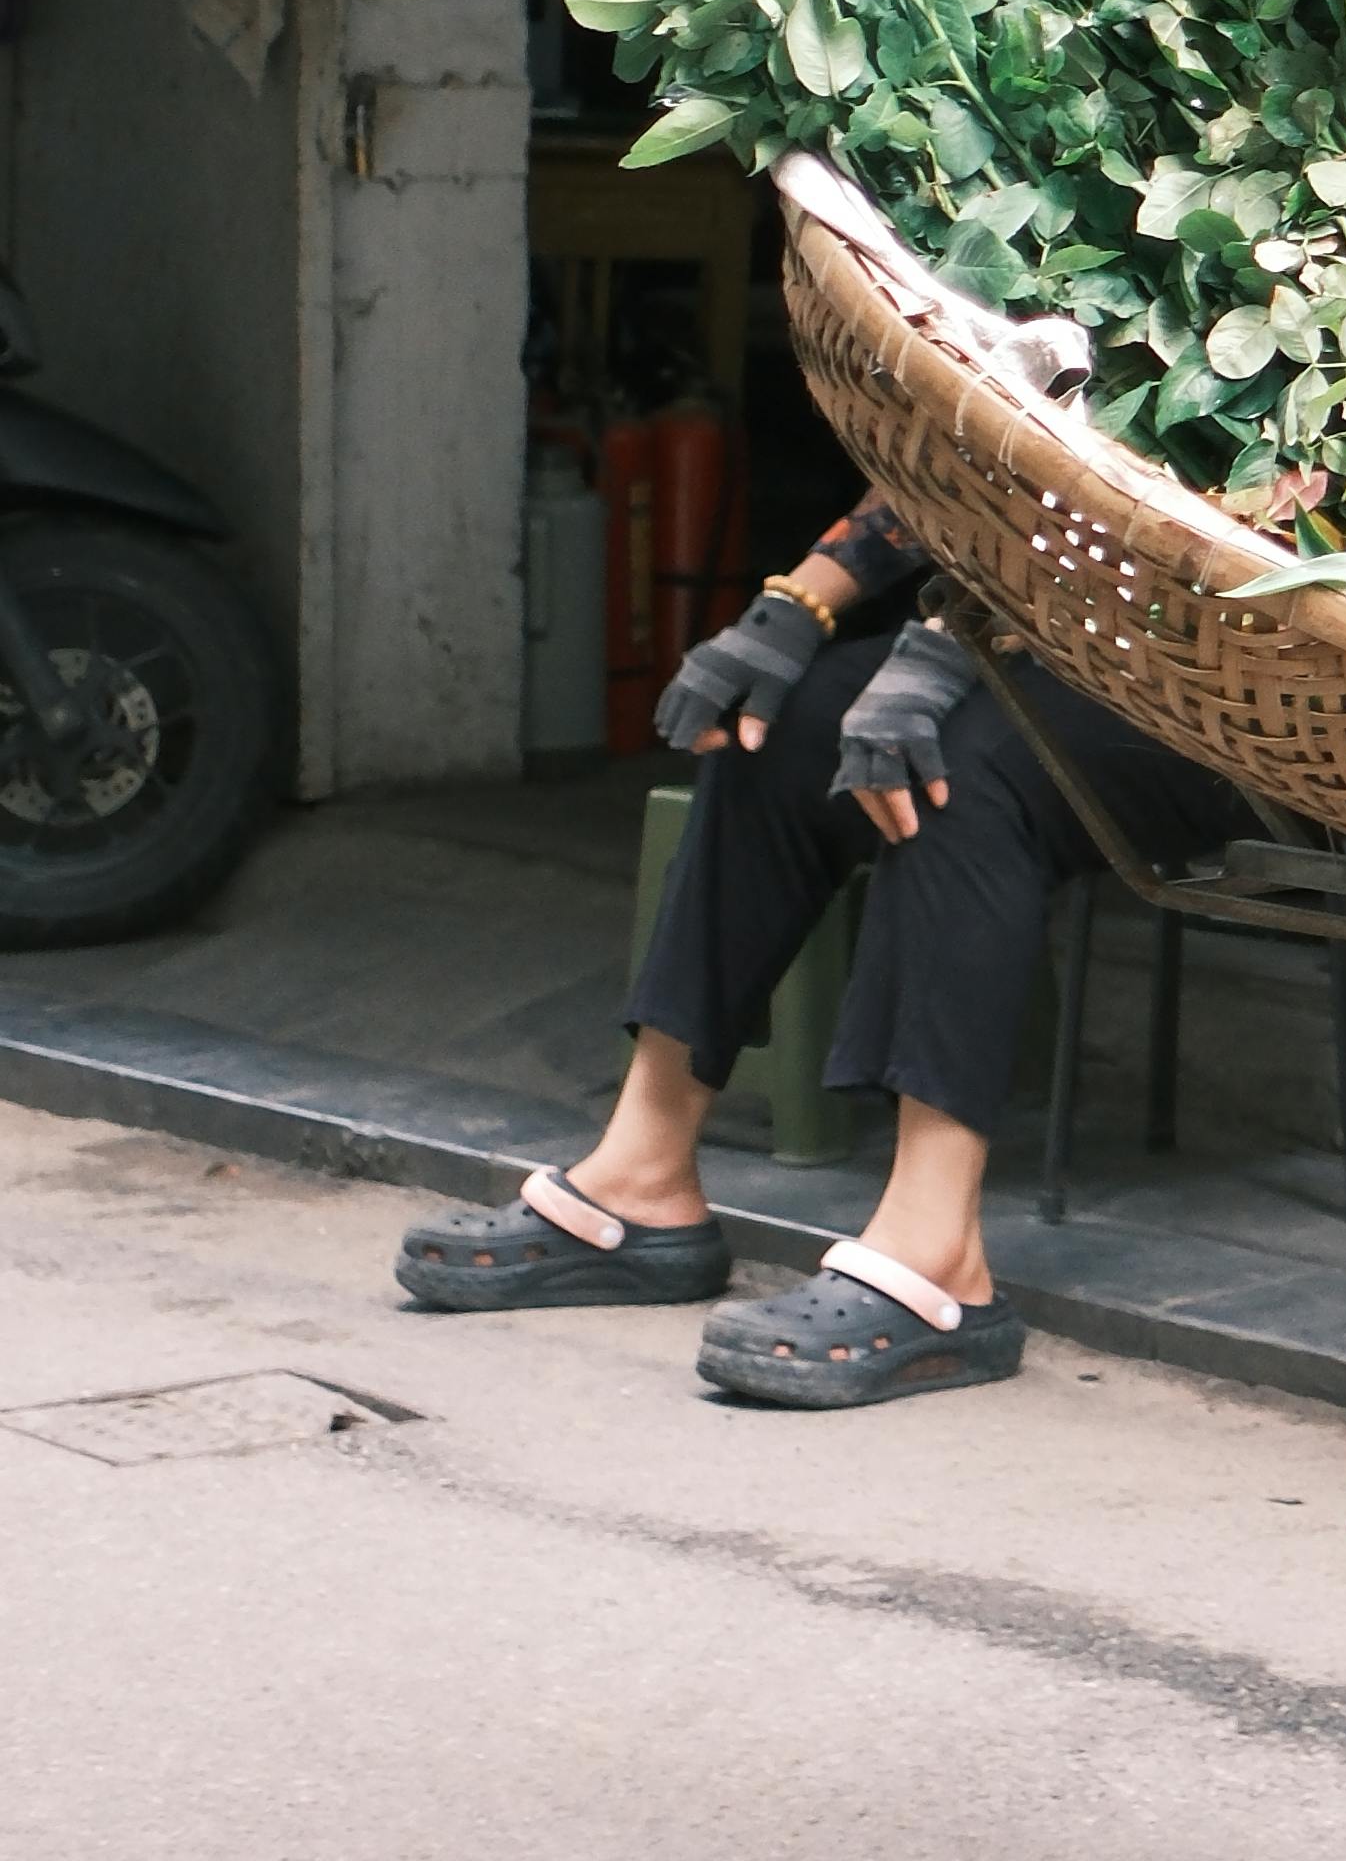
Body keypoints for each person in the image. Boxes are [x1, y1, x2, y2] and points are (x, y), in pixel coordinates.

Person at [392, 492, 1241, 1399]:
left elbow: (1171, 502)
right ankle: (642, 1180)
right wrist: (792, 609)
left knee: (953, 767)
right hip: (1026, 636)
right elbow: (975, 466)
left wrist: (944, 650)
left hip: (1241, 692)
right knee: (784, 724)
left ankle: (938, 1252)